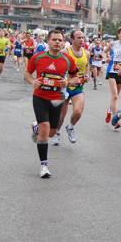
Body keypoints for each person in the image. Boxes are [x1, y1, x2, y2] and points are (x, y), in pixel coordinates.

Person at [24, 29, 79, 178]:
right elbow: (27, 73)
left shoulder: (68, 60)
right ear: (48, 41)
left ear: (63, 42)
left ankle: (35, 126)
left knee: (52, 132)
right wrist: (32, 82)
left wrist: (67, 82)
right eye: (54, 39)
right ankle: (44, 166)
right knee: (45, 128)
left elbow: (76, 78)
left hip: (57, 99)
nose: (57, 42)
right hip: (40, 97)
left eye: (60, 40)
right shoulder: (38, 57)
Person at [51, 30, 90, 145]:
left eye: (82, 37)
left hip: (78, 87)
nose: (81, 39)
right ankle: (57, 133)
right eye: (78, 37)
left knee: (78, 111)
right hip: (65, 87)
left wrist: (87, 75)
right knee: (61, 115)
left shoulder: (86, 53)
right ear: (72, 40)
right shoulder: (64, 52)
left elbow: (86, 65)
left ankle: (70, 127)